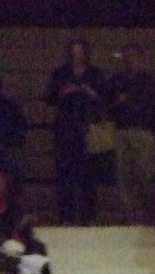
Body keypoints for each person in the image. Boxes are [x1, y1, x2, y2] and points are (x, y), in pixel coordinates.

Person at [43, 38, 107, 225]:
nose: (77, 56)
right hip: (66, 130)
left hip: (88, 128)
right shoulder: (61, 73)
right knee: (65, 175)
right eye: (74, 52)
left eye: (80, 52)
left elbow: (105, 98)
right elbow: (49, 97)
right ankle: (66, 217)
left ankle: (89, 216)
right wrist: (63, 92)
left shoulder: (95, 74)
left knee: (89, 175)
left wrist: (91, 93)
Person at [108, 43, 155, 225]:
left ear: (141, 58)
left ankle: (149, 215)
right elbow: (106, 106)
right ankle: (130, 216)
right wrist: (118, 103)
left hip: (142, 131)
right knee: (124, 175)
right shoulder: (117, 81)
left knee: (146, 174)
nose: (129, 60)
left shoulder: (149, 82)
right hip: (121, 131)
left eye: (133, 56)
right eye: (126, 56)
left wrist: (153, 130)